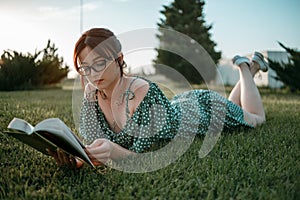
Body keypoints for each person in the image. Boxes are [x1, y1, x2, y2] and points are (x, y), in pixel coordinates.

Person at [49, 28, 268, 169]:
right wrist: (79, 158)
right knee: (237, 107)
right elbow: (93, 141)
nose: (94, 74)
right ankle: (252, 67)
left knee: (256, 119)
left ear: (118, 59)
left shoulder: (143, 93)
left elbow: (145, 155)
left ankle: (243, 68)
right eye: (85, 68)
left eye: (100, 64)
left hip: (203, 110)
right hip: (181, 105)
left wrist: (113, 152)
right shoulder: (92, 95)